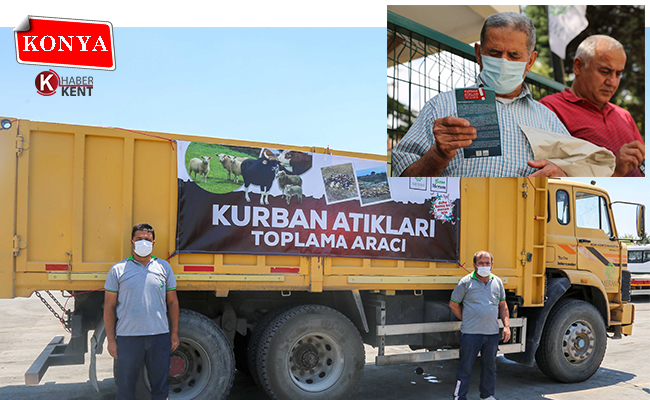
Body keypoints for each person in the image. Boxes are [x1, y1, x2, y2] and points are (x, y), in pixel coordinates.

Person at [392, 12, 570, 177]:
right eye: (494, 53)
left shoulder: (549, 120)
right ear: (479, 54)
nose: (503, 62)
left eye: (514, 55)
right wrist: (438, 154)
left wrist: (561, 175)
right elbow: (403, 178)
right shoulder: (441, 107)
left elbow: (577, 175)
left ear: (530, 61)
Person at [540, 35, 645, 177]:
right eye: (605, 72)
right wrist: (616, 171)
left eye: (618, 74)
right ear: (578, 67)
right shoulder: (550, 109)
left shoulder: (624, 115)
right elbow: (559, 180)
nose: (612, 82)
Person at [104, 223, 180, 400]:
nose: (143, 242)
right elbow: (109, 307)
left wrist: (174, 333)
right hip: (128, 338)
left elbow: (173, 302)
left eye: (147, 239)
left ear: (153, 243)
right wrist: (111, 340)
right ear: (132, 242)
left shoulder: (164, 268)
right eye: (139, 239)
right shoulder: (118, 270)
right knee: (125, 388)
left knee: (160, 388)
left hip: (159, 337)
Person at [449, 251, 510, 400]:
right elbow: (453, 304)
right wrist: (467, 318)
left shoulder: (497, 282)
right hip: (471, 334)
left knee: (490, 368)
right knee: (465, 368)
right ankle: (459, 396)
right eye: (481, 263)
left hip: (491, 334)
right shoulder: (465, 282)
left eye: (487, 263)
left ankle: (487, 395)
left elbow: (503, 305)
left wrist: (506, 326)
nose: (484, 266)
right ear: (474, 265)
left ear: (492, 264)